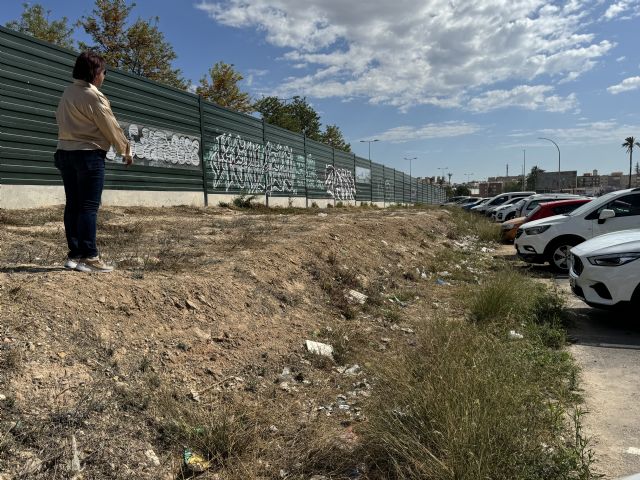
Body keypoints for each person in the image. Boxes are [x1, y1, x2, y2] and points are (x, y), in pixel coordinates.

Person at [54, 51, 133, 273]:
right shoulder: (94, 96)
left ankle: (74, 254)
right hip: (88, 154)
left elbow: (59, 118)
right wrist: (125, 151)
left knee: (73, 205)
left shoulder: (67, 92)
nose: (104, 76)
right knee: (89, 206)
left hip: (64, 152)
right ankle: (90, 257)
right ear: (95, 72)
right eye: (103, 71)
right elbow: (111, 126)